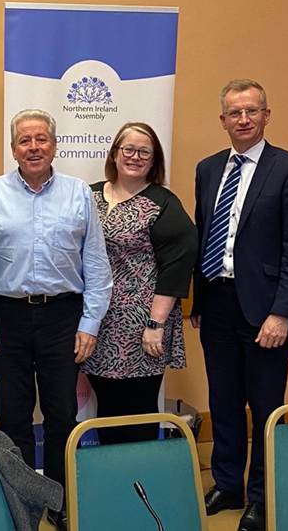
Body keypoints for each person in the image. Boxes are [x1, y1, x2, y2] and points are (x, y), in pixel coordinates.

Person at [0, 109, 112, 529]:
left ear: (54, 144)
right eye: (24, 140)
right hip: (6, 316)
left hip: (62, 316)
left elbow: (96, 263)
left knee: (61, 415)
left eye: (41, 139)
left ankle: (59, 499)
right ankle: (21, 502)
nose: (33, 147)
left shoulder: (78, 193)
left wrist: (89, 324)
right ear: (13, 148)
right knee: (12, 415)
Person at [191, 79, 288, 531]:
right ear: (222, 120)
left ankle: (261, 496)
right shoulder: (208, 169)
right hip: (217, 303)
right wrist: (199, 299)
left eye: (251, 111)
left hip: (266, 310)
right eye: (234, 113)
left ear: (266, 115)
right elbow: (205, 233)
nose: (243, 119)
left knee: (264, 406)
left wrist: (282, 312)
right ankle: (228, 484)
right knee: (223, 401)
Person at [83, 122, 198, 443]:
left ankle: (140, 472)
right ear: (114, 154)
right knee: (107, 410)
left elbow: (178, 264)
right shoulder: (89, 194)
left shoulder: (163, 203)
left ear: (154, 159)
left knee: (139, 411)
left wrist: (155, 324)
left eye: (144, 152)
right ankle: (111, 471)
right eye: (129, 149)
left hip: (143, 325)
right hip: (97, 321)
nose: (135, 157)